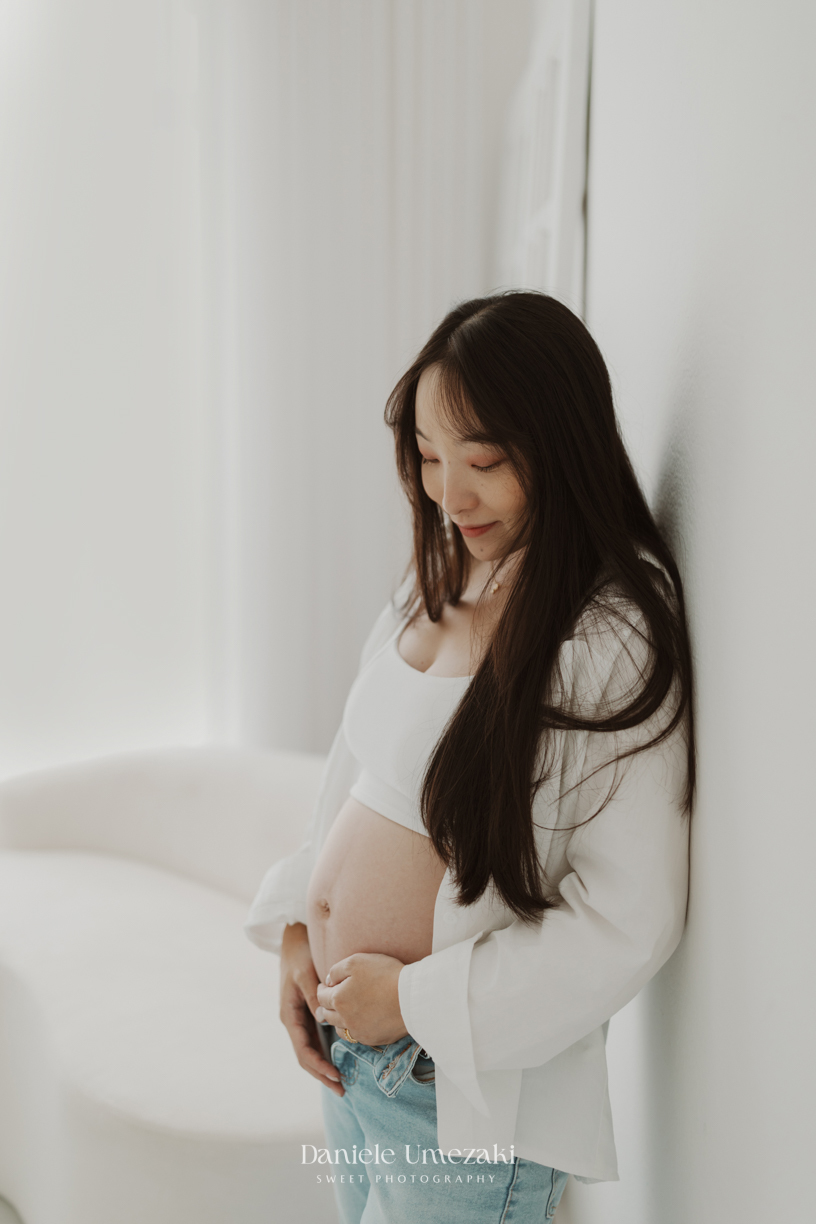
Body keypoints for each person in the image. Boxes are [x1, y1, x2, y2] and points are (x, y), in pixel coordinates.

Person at [244, 291, 694, 1224]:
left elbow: (628, 921)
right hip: (351, 1052)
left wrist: (409, 1000)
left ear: (560, 444)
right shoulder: (445, 567)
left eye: (482, 461)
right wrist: (299, 924)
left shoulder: (608, 634)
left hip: (448, 1092)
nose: (450, 495)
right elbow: (359, 771)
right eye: (428, 456)